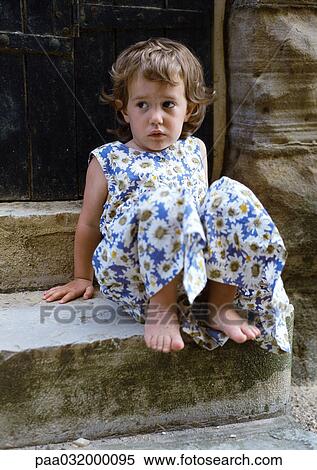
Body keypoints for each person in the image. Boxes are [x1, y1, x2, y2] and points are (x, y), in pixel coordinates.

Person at [43, 37, 293, 354]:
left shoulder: (195, 150)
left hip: (191, 272)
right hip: (134, 271)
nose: (156, 117)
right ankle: (160, 310)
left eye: (168, 104)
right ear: (124, 110)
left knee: (228, 193)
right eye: (142, 105)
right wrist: (82, 277)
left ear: (189, 108)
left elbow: (209, 219)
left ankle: (218, 304)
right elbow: (90, 224)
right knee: (170, 200)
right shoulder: (108, 160)